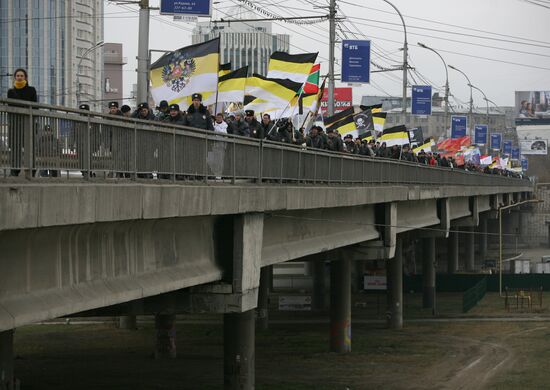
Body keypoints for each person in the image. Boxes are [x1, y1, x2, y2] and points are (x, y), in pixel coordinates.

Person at [7, 68, 38, 177]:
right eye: (17, 76)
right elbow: (10, 108)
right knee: (15, 147)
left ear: (25, 77)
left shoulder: (31, 90)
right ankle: (14, 170)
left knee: (30, 147)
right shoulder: (10, 91)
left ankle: (31, 170)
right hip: (15, 124)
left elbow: (35, 106)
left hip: (29, 123)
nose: (19, 77)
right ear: (15, 77)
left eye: (22, 75)